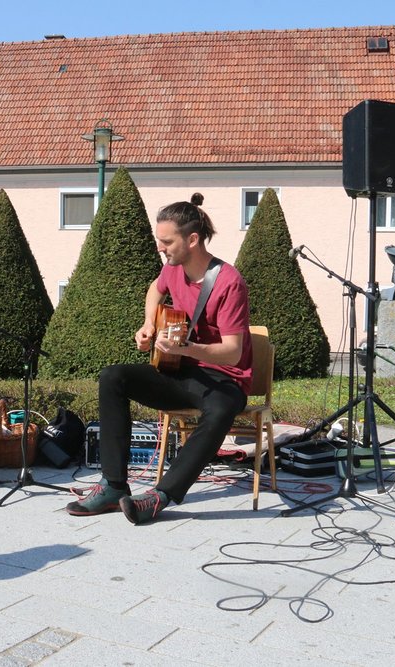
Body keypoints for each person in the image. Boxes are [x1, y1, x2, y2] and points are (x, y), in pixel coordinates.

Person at [66, 194, 252, 525]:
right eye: (159, 240)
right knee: (113, 376)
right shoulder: (172, 269)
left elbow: (233, 351)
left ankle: (160, 496)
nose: (160, 248)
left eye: (166, 242)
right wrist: (149, 323)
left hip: (223, 379)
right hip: (179, 371)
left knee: (222, 408)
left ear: (192, 240)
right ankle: (113, 486)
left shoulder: (229, 282)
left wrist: (187, 348)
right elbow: (155, 289)